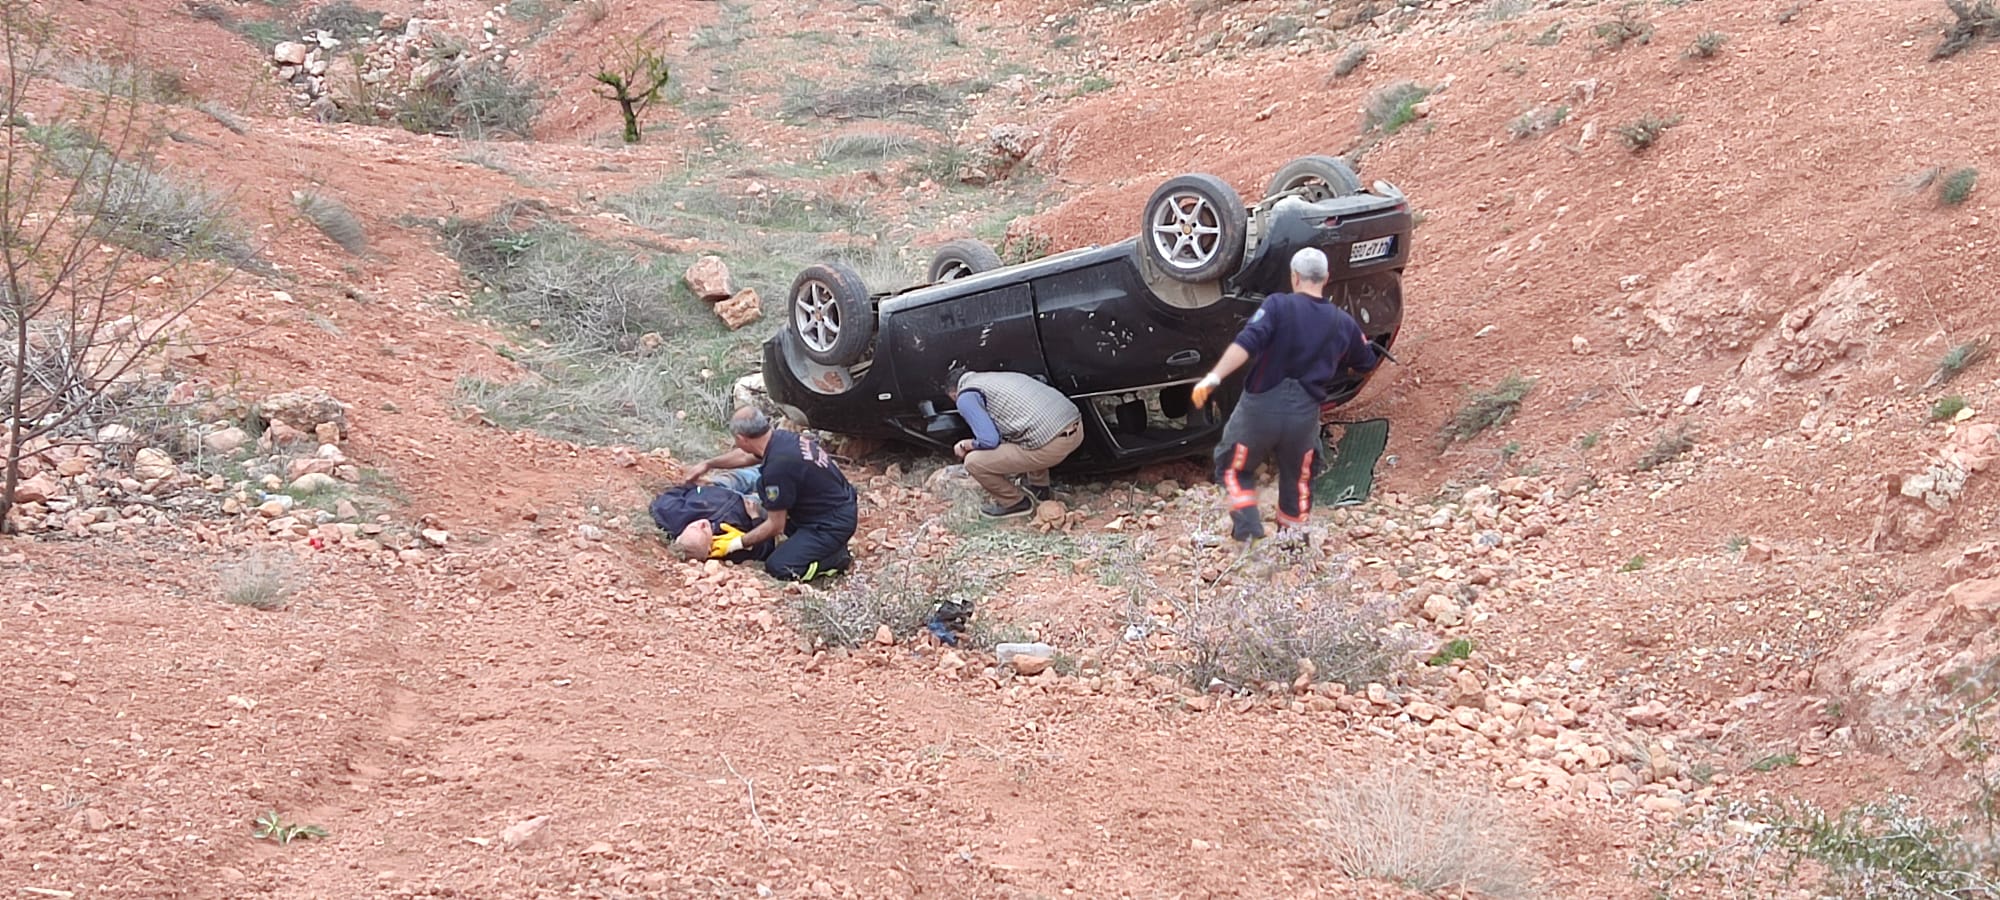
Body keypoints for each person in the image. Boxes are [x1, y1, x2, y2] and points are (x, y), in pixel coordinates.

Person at [1190, 247, 1379, 543]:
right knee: (1299, 479)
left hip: (1259, 408)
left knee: (1232, 464)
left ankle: (1247, 528)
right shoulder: (1342, 323)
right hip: (1304, 415)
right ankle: (1293, 541)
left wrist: (1214, 377)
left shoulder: (1277, 306)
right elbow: (1365, 363)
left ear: (1294, 277)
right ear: (1326, 277)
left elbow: (1247, 343)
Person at [682, 408, 857, 580]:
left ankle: (836, 560)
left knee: (779, 566)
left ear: (741, 439)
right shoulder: (780, 440)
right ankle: (814, 543)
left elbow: (776, 526)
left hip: (831, 523)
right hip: (830, 505)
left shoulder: (777, 469)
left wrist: (735, 544)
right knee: (768, 510)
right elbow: (745, 457)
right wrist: (709, 464)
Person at [948, 367, 1084, 519]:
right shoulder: (996, 378)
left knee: (973, 462)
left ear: (954, 393)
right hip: (1076, 429)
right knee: (1024, 430)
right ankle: (1039, 487)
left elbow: (989, 440)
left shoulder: (965, 396)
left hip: (1052, 445)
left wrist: (965, 445)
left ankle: (1015, 503)